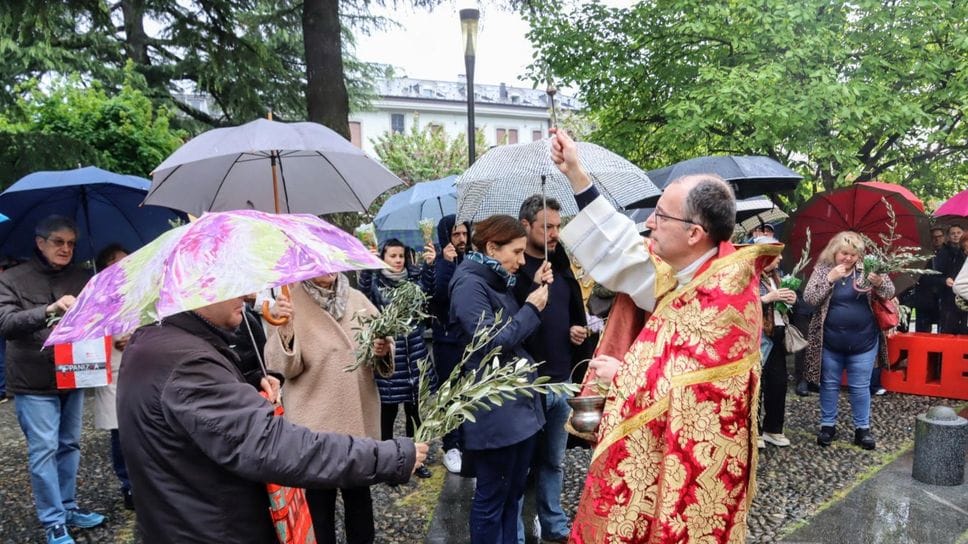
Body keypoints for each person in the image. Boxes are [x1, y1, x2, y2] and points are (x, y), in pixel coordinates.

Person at [550, 129, 780, 543]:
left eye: (660, 215)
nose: (649, 224)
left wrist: (623, 375)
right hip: (657, 448)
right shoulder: (686, 268)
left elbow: (701, 400)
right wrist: (576, 175)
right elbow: (620, 248)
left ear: (695, 233)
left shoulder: (726, 298)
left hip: (692, 473)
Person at [117, 295, 428, 543]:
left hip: (189, 519)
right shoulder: (188, 363)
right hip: (213, 527)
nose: (246, 293)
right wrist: (391, 455)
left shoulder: (157, 343)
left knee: (358, 508)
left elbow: (203, 417)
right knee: (320, 511)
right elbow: (272, 445)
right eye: (232, 281)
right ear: (202, 287)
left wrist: (246, 385)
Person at [0, 215, 104, 544]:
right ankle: (53, 520)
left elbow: (99, 317)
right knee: (44, 449)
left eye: (71, 243)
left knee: (70, 444)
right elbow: (5, 323)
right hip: (33, 377)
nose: (66, 248)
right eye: (58, 242)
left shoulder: (84, 277)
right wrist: (48, 310)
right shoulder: (13, 278)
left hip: (73, 372)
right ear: (40, 242)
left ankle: (69, 506)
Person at [265, 272, 389, 544]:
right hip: (314, 418)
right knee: (319, 503)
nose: (327, 270)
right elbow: (285, 369)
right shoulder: (289, 303)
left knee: (359, 497)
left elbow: (382, 353)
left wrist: (382, 350)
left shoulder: (358, 300)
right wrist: (283, 328)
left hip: (357, 413)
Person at [447, 214, 549, 543]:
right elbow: (490, 342)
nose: (521, 261)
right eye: (516, 252)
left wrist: (534, 290)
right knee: (492, 500)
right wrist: (531, 309)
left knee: (511, 497)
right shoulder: (468, 284)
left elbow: (512, 330)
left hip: (516, 409)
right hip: (496, 411)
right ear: (492, 247)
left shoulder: (493, 279)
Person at [513, 194, 588, 542]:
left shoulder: (561, 264)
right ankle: (511, 529)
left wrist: (578, 332)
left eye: (558, 226)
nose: (555, 233)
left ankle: (552, 523)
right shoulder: (513, 269)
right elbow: (510, 324)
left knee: (554, 461)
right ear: (526, 226)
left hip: (560, 380)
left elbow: (574, 313)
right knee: (518, 465)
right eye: (547, 226)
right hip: (527, 386)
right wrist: (532, 284)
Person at [803, 231, 894, 450]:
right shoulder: (824, 269)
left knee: (860, 386)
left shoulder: (869, 267)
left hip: (864, 341)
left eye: (853, 255)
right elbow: (809, 299)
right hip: (830, 341)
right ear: (835, 251)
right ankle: (828, 426)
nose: (848, 259)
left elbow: (890, 292)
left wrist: (879, 282)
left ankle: (862, 429)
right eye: (844, 253)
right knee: (830, 384)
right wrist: (829, 280)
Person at [359, 238, 436, 479]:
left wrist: (431, 267)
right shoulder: (376, 281)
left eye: (401, 256)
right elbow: (363, 296)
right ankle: (388, 464)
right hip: (390, 361)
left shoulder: (413, 279)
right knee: (388, 414)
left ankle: (417, 460)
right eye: (392, 256)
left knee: (415, 413)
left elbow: (429, 293)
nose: (398, 260)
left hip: (413, 358)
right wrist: (366, 267)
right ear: (383, 257)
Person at [91, 244, 134, 510]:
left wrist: (136, 335)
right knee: (119, 432)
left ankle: (146, 481)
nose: (123, 267)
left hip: (138, 368)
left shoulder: (138, 291)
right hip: (112, 370)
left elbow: (155, 323)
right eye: (116, 262)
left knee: (142, 428)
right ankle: (128, 485)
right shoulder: (93, 296)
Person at [430, 215, 471, 474]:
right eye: (456, 235)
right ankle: (451, 445)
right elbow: (437, 296)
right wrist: (445, 264)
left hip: (467, 339)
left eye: (465, 234)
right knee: (449, 393)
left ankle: (468, 442)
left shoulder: (471, 259)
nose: (462, 239)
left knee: (468, 392)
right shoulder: (436, 261)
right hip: (446, 340)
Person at [756, 236, 797, 448]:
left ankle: (774, 428)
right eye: (775, 254)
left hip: (779, 336)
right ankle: (755, 431)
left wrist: (790, 299)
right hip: (761, 337)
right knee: (758, 385)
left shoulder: (776, 276)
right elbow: (745, 304)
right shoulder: (750, 276)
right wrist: (768, 298)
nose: (780, 258)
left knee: (779, 384)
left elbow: (784, 305)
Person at [937, 224, 965, 333]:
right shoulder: (943, 252)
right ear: (948, 236)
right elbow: (935, 275)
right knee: (948, 328)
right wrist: (944, 280)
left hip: (964, 295)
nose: (956, 236)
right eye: (953, 233)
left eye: (958, 233)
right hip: (948, 296)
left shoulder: (965, 252)